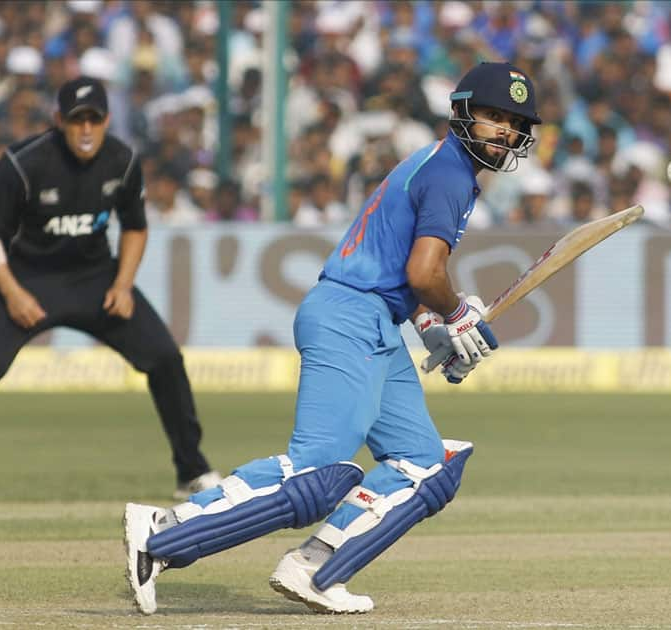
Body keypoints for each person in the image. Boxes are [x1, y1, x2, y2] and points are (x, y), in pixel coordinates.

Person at [123, 61, 540, 615]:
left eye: (514, 123)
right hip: (350, 314)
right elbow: (424, 273)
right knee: (320, 471)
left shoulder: (441, 167)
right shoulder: (451, 175)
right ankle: (162, 532)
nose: (504, 133)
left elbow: (401, 271)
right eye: (492, 117)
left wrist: (433, 326)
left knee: (425, 464)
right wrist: (459, 313)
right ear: (461, 112)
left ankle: (317, 567)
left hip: (373, 318)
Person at [0, 76, 221, 502]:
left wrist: (124, 284)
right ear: (59, 121)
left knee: (165, 358)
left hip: (94, 279)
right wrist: (12, 292)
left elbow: (135, 227)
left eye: (95, 119)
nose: (87, 129)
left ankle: (192, 470)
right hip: (26, 280)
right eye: (77, 121)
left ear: (108, 120)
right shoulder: (24, 163)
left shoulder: (122, 160)